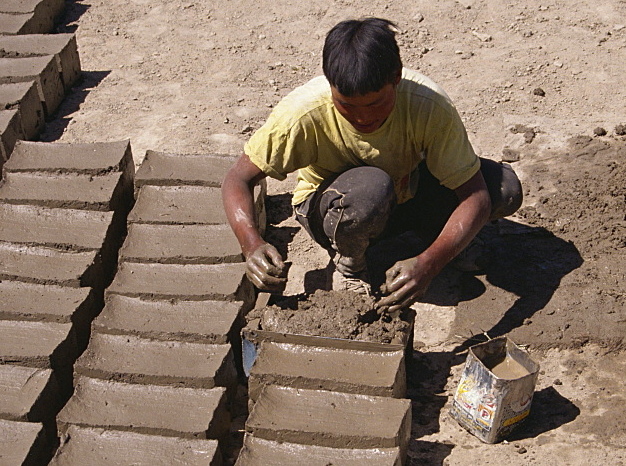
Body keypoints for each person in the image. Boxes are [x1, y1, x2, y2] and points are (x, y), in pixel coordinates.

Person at [222, 17, 522, 312]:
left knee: (503, 188)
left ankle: (437, 242)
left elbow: (477, 196)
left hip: (405, 192)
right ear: (330, 86)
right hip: (335, 209)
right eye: (347, 106)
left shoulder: (428, 106)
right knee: (370, 189)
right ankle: (351, 262)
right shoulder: (301, 114)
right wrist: (252, 244)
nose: (363, 117)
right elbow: (238, 178)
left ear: (396, 78)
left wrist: (431, 262)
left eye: (376, 104)